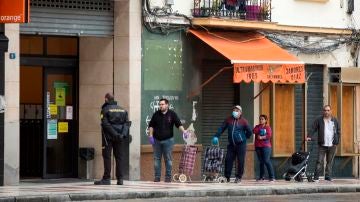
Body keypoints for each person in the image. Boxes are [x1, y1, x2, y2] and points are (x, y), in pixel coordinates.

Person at [94, 93, 130, 185]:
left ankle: (106, 179)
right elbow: (127, 123)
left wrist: (115, 134)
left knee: (107, 157)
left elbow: (105, 125)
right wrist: (122, 134)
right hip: (120, 137)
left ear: (106, 99)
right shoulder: (123, 110)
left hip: (108, 138)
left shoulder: (105, 110)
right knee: (119, 157)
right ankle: (120, 179)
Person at [148, 98, 186, 182]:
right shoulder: (156, 114)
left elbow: (178, 124)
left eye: (162, 104)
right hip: (156, 141)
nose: (160, 106)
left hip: (168, 140)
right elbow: (151, 126)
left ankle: (168, 178)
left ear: (167, 105)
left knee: (168, 160)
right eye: (160, 104)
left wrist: (184, 131)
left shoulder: (172, 114)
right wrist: (150, 136)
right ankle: (157, 177)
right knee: (157, 160)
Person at [212, 105, 252, 183]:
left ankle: (238, 177)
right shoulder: (229, 120)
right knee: (228, 160)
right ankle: (227, 177)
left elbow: (249, 132)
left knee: (240, 161)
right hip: (231, 144)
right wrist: (216, 136)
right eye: (234, 110)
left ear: (240, 112)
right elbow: (222, 128)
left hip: (241, 145)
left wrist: (243, 138)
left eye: (237, 110)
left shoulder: (244, 121)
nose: (235, 112)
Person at [307, 105, 340, 182]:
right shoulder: (319, 120)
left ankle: (328, 176)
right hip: (322, 144)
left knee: (329, 161)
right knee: (319, 161)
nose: (326, 112)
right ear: (323, 111)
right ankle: (316, 177)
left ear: (331, 111)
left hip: (332, 144)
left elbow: (338, 131)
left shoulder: (335, 120)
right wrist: (309, 136)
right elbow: (313, 128)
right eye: (325, 110)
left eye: (328, 110)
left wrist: (337, 141)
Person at [253, 114, 275, 182]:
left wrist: (262, 137)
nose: (261, 120)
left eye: (262, 119)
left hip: (266, 147)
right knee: (261, 162)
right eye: (260, 119)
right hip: (258, 147)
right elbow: (254, 131)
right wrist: (260, 129)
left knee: (266, 160)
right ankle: (261, 177)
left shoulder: (268, 127)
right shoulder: (257, 126)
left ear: (265, 120)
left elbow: (269, 135)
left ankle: (272, 177)